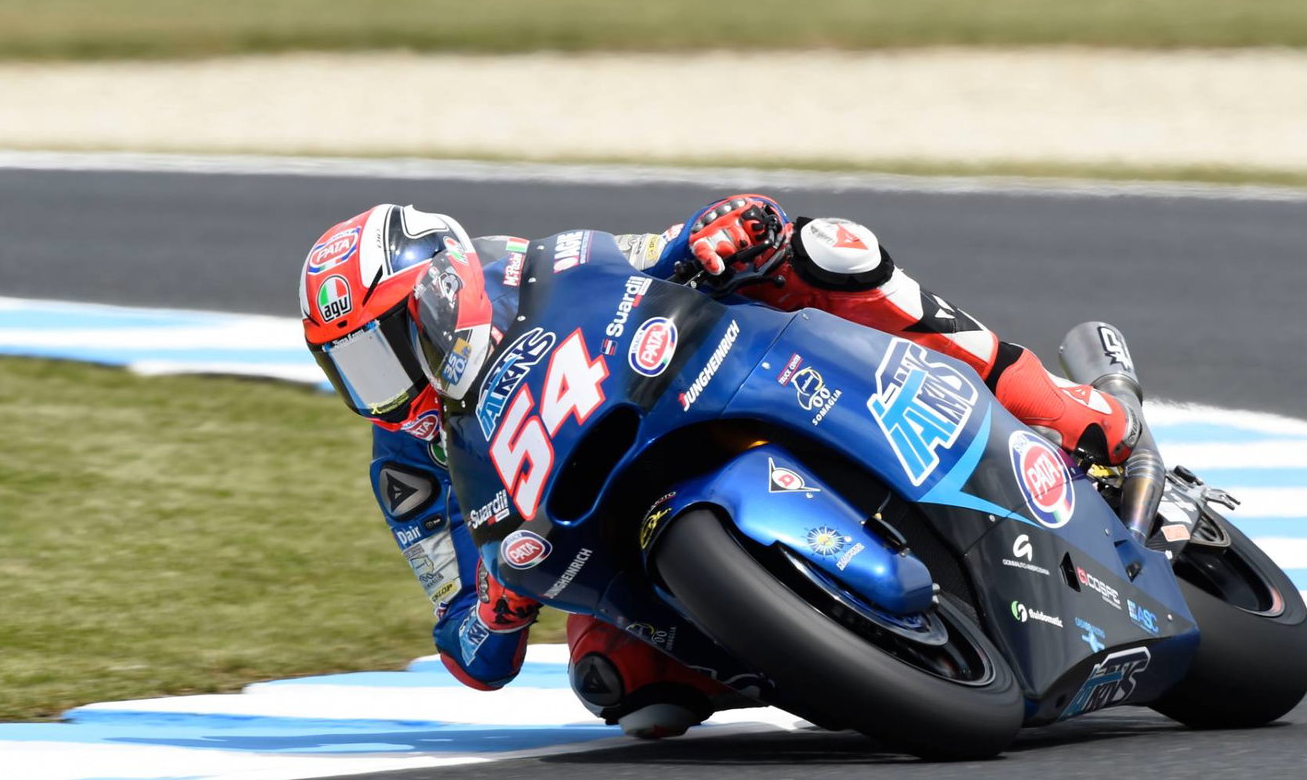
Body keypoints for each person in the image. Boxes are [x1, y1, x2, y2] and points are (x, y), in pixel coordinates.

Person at [299, 196, 1141, 740]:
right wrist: (500, 601)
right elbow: (469, 650)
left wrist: (718, 231)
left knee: (826, 248)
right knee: (622, 687)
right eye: (354, 368)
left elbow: (657, 251)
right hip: (602, 541)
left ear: (445, 294)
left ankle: (1064, 405)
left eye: (390, 344)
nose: (386, 386)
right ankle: (832, 652)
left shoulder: (536, 263)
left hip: (695, 386)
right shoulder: (408, 469)